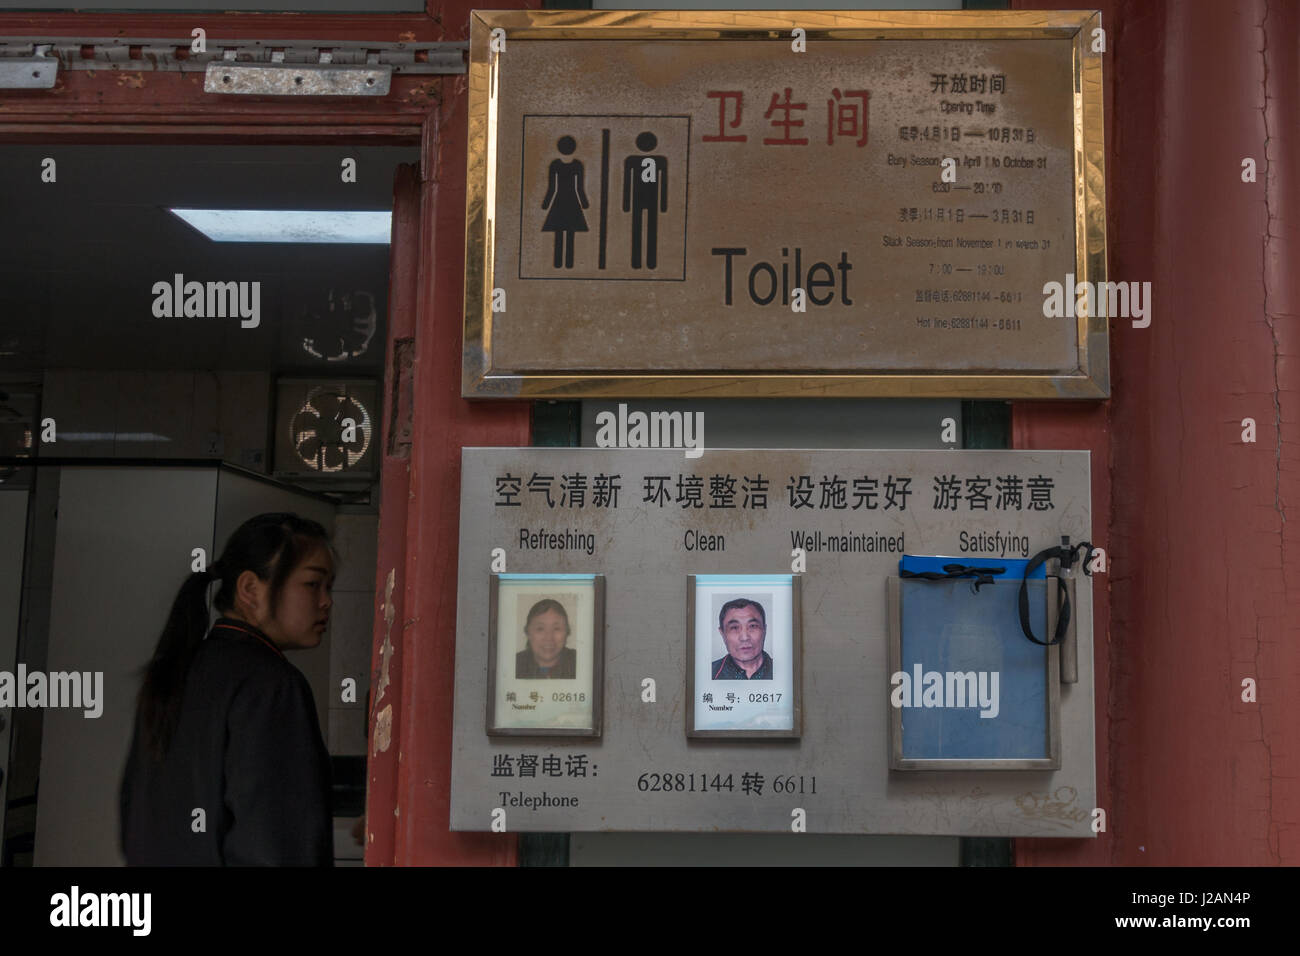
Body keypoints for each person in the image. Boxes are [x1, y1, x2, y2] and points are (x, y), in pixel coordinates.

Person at [119, 512, 336, 866]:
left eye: (330, 587)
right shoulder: (272, 685)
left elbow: (135, 813)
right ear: (250, 589)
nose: (326, 601)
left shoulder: (178, 668)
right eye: (313, 584)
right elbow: (277, 843)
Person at [711, 598, 773, 680]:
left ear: (764, 630)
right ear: (722, 633)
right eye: (734, 628)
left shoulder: (785, 671)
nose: (745, 638)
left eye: (753, 626)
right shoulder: (709, 673)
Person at [515, 598, 577, 679]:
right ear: (528, 632)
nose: (549, 638)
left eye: (556, 628)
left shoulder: (580, 662)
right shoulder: (514, 664)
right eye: (540, 629)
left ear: (567, 631)